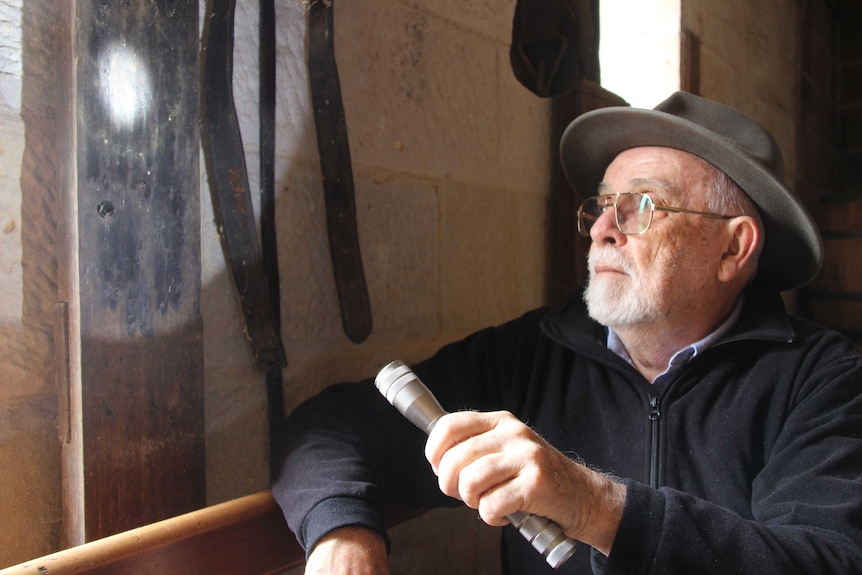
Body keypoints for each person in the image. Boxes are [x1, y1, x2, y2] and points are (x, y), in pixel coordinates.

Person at [272, 92, 862, 574]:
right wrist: (341, 531)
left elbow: (828, 561)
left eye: (644, 204)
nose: (603, 227)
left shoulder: (826, 380)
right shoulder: (536, 354)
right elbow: (330, 425)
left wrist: (594, 506)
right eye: (604, 204)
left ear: (733, 247)